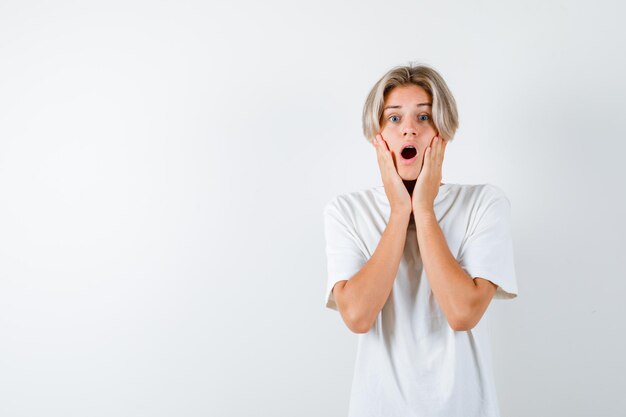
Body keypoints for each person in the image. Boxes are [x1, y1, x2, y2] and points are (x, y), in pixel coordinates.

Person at [322, 63, 519, 417]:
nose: (409, 129)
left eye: (424, 117)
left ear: (443, 132)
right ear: (377, 136)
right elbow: (358, 316)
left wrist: (424, 210)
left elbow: (463, 313)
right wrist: (400, 211)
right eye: (394, 119)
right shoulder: (347, 211)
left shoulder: (484, 204)